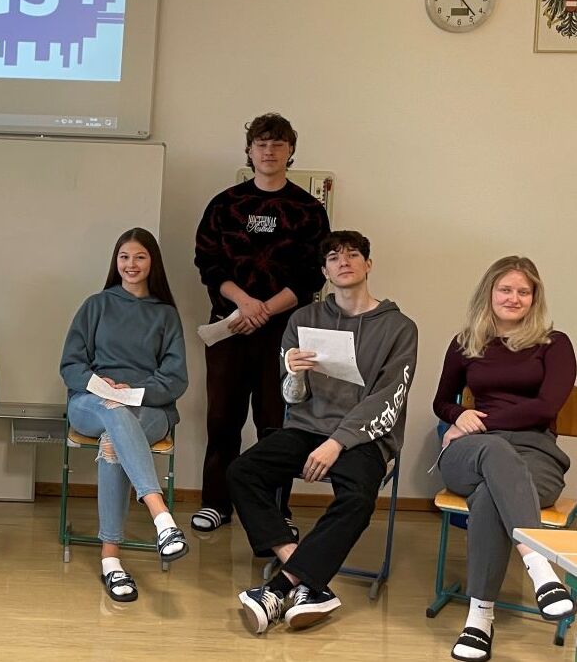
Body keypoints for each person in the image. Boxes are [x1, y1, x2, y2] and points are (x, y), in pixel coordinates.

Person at [229, 230, 417, 634]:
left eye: (352, 255)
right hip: (306, 427)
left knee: (358, 497)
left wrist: (337, 443)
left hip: (364, 438)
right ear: (324, 271)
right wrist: (295, 374)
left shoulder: (400, 327)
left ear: (368, 264)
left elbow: (388, 398)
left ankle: (279, 587)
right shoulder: (303, 319)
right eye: (333, 257)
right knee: (242, 471)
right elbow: (291, 397)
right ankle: (304, 574)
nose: (343, 262)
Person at [431, 256, 575, 662]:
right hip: (473, 450)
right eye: (506, 289)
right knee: (494, 451)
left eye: (523, 291)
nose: (514, 298)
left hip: (535, 455)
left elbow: (546, 407)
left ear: (534, 297)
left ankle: (479, 619)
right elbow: (441, 401)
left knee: (489, 497)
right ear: (490, 293)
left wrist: (479, 420)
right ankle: (541, 567)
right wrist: (457, 415)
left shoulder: (555, 344)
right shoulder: (466, 342)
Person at [192, 112, 330, 533]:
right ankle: (216, 503)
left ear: (291, 151)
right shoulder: (224, 204)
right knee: (222, 421)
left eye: (277, 144)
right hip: (229, 328)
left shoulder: (309, 210)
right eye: (261, 144)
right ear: (249, 152)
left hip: (284, 335)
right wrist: (245, 303)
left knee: (276, 424)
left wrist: (265, 310)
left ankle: (274, 510)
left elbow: (311, 276)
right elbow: (208, 264)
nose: (269, 151)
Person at [59, 228, 189, 602]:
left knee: (113, 440)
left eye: (140, 257)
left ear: (153, 263)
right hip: (91, 403)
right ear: (116, 262)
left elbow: (176, 378)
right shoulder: (96, 306)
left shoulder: (165, 315)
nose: (131, 264)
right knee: (113, 413)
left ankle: (110, 560)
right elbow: (71, 364)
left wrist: (134, 391)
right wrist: (101, 385)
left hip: (149, 409)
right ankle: (161, 516)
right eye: (124, 257)